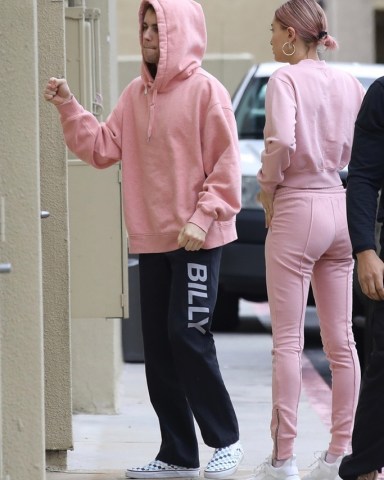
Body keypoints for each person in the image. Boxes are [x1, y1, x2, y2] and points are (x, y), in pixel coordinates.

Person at [43, 0, 244, 478]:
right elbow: (100, 148)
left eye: (159, 28)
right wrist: (69, 106)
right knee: (157, 345)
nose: (149, 36)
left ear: (181, 33)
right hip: (152, 240)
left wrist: (203, 216)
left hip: (199, 239)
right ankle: (177, 453)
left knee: (187, 335)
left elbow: (227, 165)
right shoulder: (135, 95)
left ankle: (226, 439)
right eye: (146, 27)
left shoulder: (206, 93)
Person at [253, 1, 365, 479]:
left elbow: (280, 142)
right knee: (343, 341)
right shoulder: (348, 83)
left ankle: (283, 459)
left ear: (294, 37)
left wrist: (266, 187)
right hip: (339, 204)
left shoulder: (285, 80)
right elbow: (362, 149)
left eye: (275, 30)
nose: (271, 38)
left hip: (298, 205)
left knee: (288, 342)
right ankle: (340, 452)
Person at [338, 78, 384, 480]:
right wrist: (365, 249)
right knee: (383, 359)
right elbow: (364, 177)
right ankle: (364, 464)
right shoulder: (382, 95)